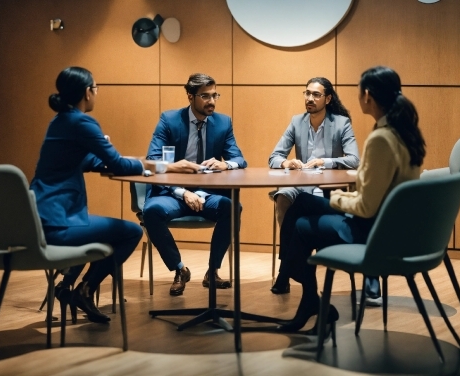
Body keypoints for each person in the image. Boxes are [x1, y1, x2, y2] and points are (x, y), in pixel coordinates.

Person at [275, 66, 426, 334]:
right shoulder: (404, 131)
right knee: (300, 204)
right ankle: (301, 288)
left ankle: (306, 294)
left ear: (367, 95)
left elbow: (365, 207)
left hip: (371, 231)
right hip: (389, 224)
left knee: (300, 226)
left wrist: (337, 199)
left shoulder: (381, 139)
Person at [30, 66, 157, 323]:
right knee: (131, 232)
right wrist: (148, 165)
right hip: (58, 223)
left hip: (40, 217)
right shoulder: (81, 121)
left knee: (106, 231)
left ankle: (67, 288)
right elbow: (120, 165)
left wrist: (104, 154)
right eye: (96, 89)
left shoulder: (60, 121)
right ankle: (85, 290)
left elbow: (82, 161)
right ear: (88, 92)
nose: (96, 94)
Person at [142, 73, 247, 296]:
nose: (212, 101)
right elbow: (153, 161)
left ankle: (212, 271)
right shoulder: (169, 120)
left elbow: (239, 159)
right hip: (173, 193)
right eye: (205, 96)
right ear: (190, 96)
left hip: (207, 193)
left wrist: (225, 165)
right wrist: (181, 192)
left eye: (215, 95)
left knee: (232, 208)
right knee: (151, 211)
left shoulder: (222, 122)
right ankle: (180, 270)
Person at [268, 77, 360, 296]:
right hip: (301, 185)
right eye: (307, 93)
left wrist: (325, 162)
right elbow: (274, 156)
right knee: (283, 197)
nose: (309, 98)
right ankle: (290, 269)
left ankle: (285, 271)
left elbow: (354, 159)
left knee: (299, 209)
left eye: (315, 94)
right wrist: (286, 162)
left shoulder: (341, 123)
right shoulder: (296, 122)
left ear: (327, 99)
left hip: (328, 187)